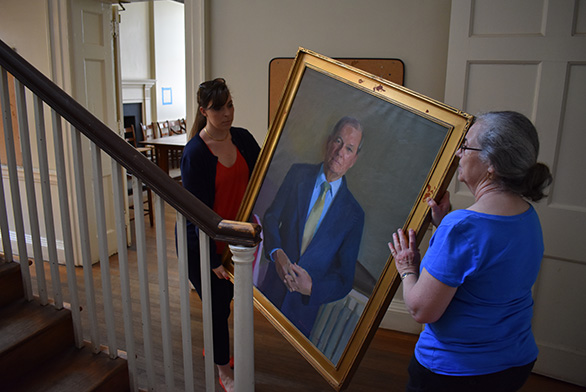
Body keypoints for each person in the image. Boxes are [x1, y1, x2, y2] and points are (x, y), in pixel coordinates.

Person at [388, 111, 552, 392]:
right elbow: (487, 268)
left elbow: (420, 309)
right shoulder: (527, 215)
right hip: (514, 363)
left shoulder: (463, 227)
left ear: (491, 164)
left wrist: (406, 268)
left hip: (457, 373)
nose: (457, 153)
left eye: (466, 145)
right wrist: (443, 226)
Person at [180, 78, 260, 392]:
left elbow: (264, 172)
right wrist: (209, 256)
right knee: (216, 307)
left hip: (234, 241)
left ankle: (217, 349)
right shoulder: (195, 153)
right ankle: (223, 370)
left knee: (227, 301)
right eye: (218, 108)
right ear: (203, 111)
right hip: (201, 243)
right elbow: (193, 214)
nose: (227, 113)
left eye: (230, 105)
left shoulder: (242, 138)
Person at [259, 116, 365, 337]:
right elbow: (270, 217)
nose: (339, 152)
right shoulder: (298, 174)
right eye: (338, 141)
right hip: (269, 292)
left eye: (349, 148)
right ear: (328, 142)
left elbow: (345, 279)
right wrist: (276, 253)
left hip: (302, 311)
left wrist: (312, 288)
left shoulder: (354, 215)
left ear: (354, 158)